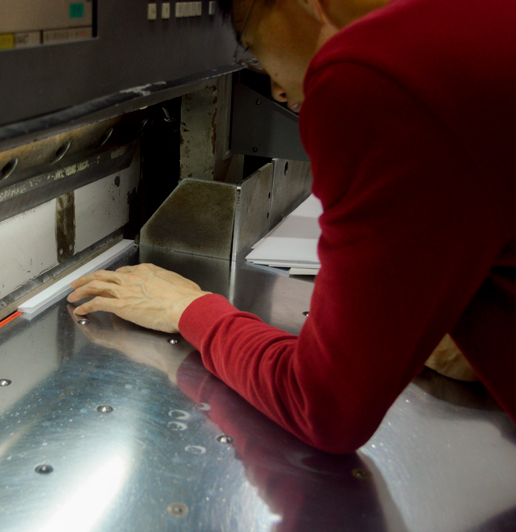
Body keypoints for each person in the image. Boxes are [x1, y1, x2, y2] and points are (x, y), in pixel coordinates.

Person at [67, 0, 516, 453]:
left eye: (252, 42)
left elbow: (322, 406)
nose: (276, 89)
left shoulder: (373, 77)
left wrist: (190, 309)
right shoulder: (473, 27)